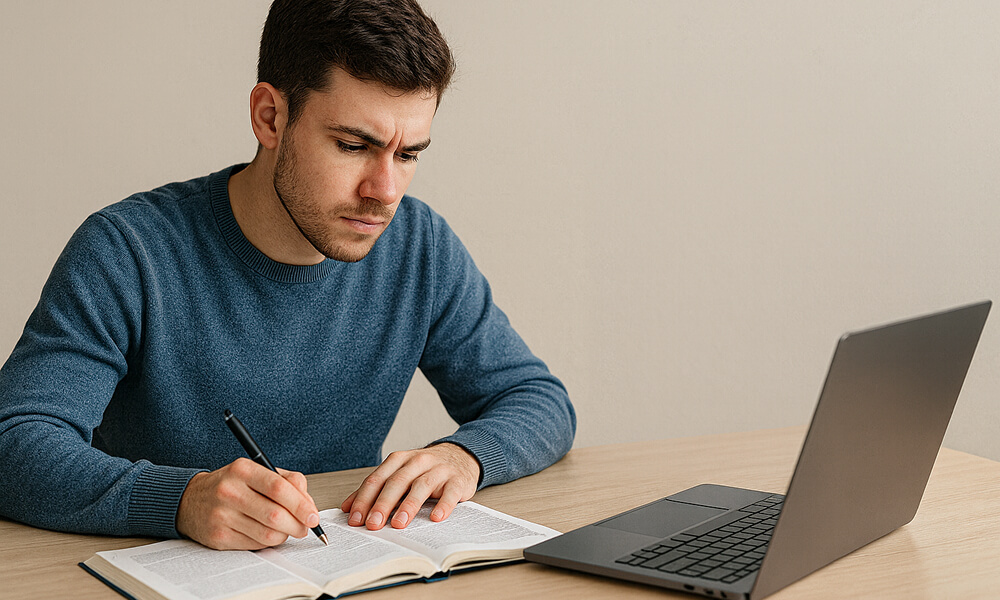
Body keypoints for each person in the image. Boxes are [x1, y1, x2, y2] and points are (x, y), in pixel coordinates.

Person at [0, 0, 575, 551]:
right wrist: (178, 500)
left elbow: (538, 401)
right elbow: (14, 442)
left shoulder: (418, 247)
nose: (385, 193)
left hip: (342, 566)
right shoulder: (128, 251)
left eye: (408, 155)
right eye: (354, 145)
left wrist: (464, 456)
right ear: (269, 117)